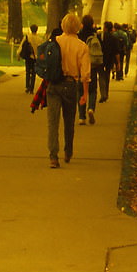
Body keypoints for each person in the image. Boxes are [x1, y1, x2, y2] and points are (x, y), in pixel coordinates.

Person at [47, 13, 90, 168]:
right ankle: (68, 151)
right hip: (70, 84)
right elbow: (85, 74)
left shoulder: (54, 42)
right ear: (78, 27)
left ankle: (53, 156)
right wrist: (85, 94)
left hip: (53, 84)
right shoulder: (82, 46)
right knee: (69, 120)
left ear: (63, 25)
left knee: (53, 122)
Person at [77, 13, 102, 124]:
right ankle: (91, 108)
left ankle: (82, 117)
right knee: (92, 90)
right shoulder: (95, 36)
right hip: (92, 65)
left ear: (82, 24)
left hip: (80, 66)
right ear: (92, 24)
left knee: (80, 91)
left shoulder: (78, 36)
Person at [18, 23, 44, 94]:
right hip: (35, 58)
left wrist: (18, 54)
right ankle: (32, 88)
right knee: (33, 73)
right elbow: (41, 50)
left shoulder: (27, 37)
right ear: (37, 30)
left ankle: (27, 87)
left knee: (27, 72)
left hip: (28, 57)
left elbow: (21, 46)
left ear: (30, 29)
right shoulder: (40, 39)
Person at [100, 21, 119, 97]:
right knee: (107, 75)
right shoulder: (114, 38)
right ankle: (106, 92)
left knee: (101, 75)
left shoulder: (101, 37)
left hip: (101, 58)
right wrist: (118, 63)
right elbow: (116, 51)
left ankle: (103, 92)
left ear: (105, 28)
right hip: (110, 59)